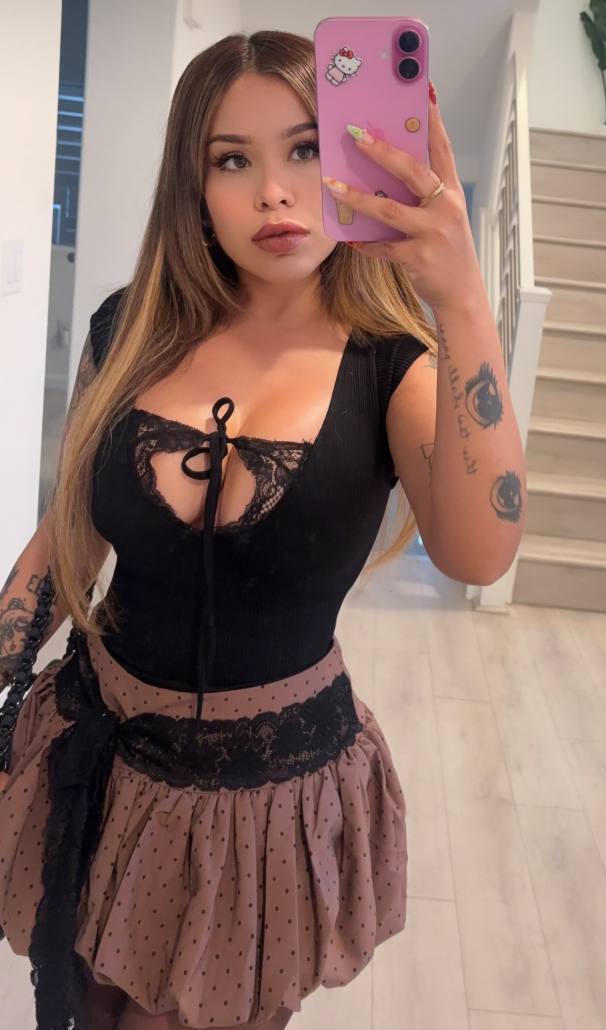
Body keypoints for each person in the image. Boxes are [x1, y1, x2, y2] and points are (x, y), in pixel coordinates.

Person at [0, 29, 441, 1030]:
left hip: (262, 804)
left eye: (306, 149)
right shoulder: (125, 330)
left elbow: (477, 553)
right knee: (81, 1004)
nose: (274, 192)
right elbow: (69, 536)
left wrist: (457, 292)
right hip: (96, 753)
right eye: (231, 160)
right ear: (193, 189)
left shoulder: (395, 363)